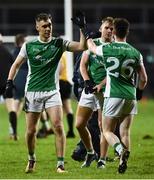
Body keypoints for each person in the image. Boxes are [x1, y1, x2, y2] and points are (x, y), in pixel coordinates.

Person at [5, 12, 86, 173]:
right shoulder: (29, 46)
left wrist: (82, 28)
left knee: (58, 126)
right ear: (37, 27)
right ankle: (31, 159)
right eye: (44, 26)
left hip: (52, 92)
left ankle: (60, 165)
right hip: (32, 93)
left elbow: (81, 46)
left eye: (49, 25)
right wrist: (9, 82)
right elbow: (15, 65)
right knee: (31, 131)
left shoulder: (58, 43)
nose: (48, 28)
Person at [87, 18, 147, 173]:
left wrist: (88, 36)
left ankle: (120, 150)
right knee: (125, 131)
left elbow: (92, 48)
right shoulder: (136, 52)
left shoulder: (108, 48)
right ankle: (122, 162)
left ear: (113, 31)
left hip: (113, 95)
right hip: (130, 96)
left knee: (106, 130)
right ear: (127, 32)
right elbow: (144, 79)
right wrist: (139, 91)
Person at [75, 17, 114, 168]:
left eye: (111, 28)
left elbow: (113, 72)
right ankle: (91, 153)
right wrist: (86, 81)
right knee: (79, 124)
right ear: (101, 29)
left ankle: (102, 160)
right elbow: (83, 66)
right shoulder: (93, 45)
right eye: (107, 28)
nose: (109, 31)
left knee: (103, 127)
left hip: (106, 91)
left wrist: (100, 84)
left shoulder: (115, 48)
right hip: (90, 89)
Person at [0, 33, 16, 140]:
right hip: (6, 83)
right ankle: (13, 133)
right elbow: (14, 66)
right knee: (11, 109)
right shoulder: (7, 52)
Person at [59, 52, 75, 138]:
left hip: (60, 83)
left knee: (58, 108)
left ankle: (60, 130)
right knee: (68, 108)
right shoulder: (64, 54)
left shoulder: (58, 54)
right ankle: (71, 131)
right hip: (66, 82)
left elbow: (60, 67)